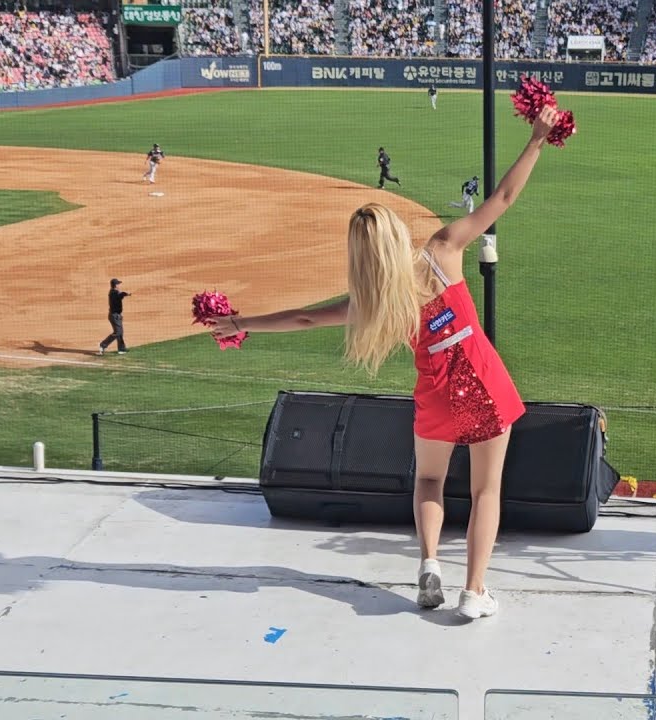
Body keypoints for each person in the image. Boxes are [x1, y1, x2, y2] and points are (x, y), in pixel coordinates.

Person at [207, 106, 562, 620]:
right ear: (398, 236)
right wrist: (536, 140)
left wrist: (242, 324)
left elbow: (304, 320)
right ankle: (475, 590)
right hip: (482, 381)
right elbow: (503, 198)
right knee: (487, 490)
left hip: (435, 393)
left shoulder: (377, 303)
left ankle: (429, 564)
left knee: (429, 482)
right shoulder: (443, 250)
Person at [98, 278, 130, 355]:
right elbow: (120, 295)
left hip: (117, 315)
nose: (119, 285)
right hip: (114, 316)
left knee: (120, 332)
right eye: (118, 284)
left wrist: (124, 294)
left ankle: (121, 349)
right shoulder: (113, 293)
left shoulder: (114, 292)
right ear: (115, 285)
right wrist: (126, 293)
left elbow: (120, 296)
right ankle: (103, 345)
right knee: (118, 332)